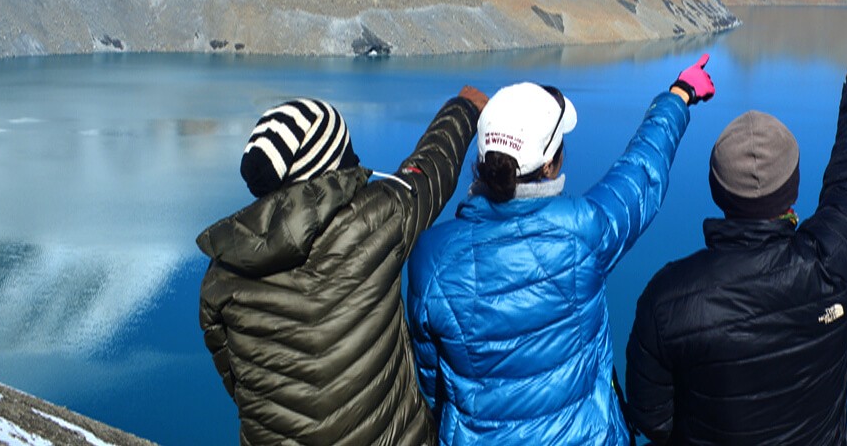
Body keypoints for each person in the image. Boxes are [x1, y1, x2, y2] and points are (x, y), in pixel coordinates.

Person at [407, 55, 715, 445]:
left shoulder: (432, 259)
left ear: (482, 162)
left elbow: (434, 380)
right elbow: (642, 173)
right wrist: (678, 95)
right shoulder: (583, 231)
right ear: (551, 163)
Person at [624, 38, 847, 446]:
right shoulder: (832, 263)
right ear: (794, 186)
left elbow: (652, 418)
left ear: (716, 189)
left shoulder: (668, 300)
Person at [196, 87, 486, 446]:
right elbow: (431, 170)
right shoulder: (377, 220)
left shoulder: (220, 277)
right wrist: (464, 108)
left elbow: (237, 381)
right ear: (331, 168)